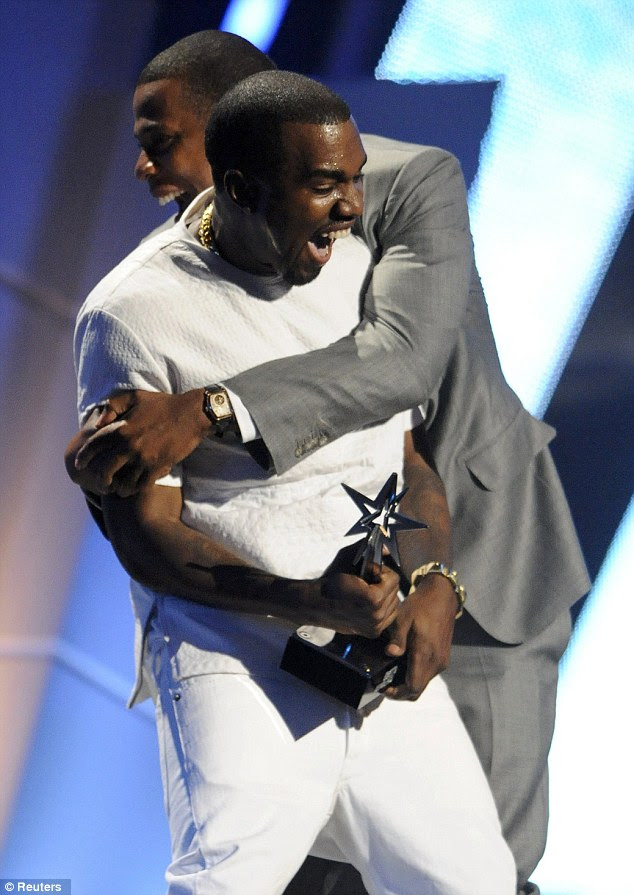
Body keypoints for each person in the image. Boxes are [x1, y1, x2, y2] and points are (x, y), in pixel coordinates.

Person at [65, 31, 590, 895]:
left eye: (162, 140)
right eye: (326, 186)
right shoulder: (132, 312)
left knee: (484, 877)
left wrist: (427, 579)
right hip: (250, 652)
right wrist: (307, 600)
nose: (352, 206)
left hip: (427, 609)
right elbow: (146, 533)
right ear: (240, 175)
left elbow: (404, 407)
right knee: (240, 878)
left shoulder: (385, 230)